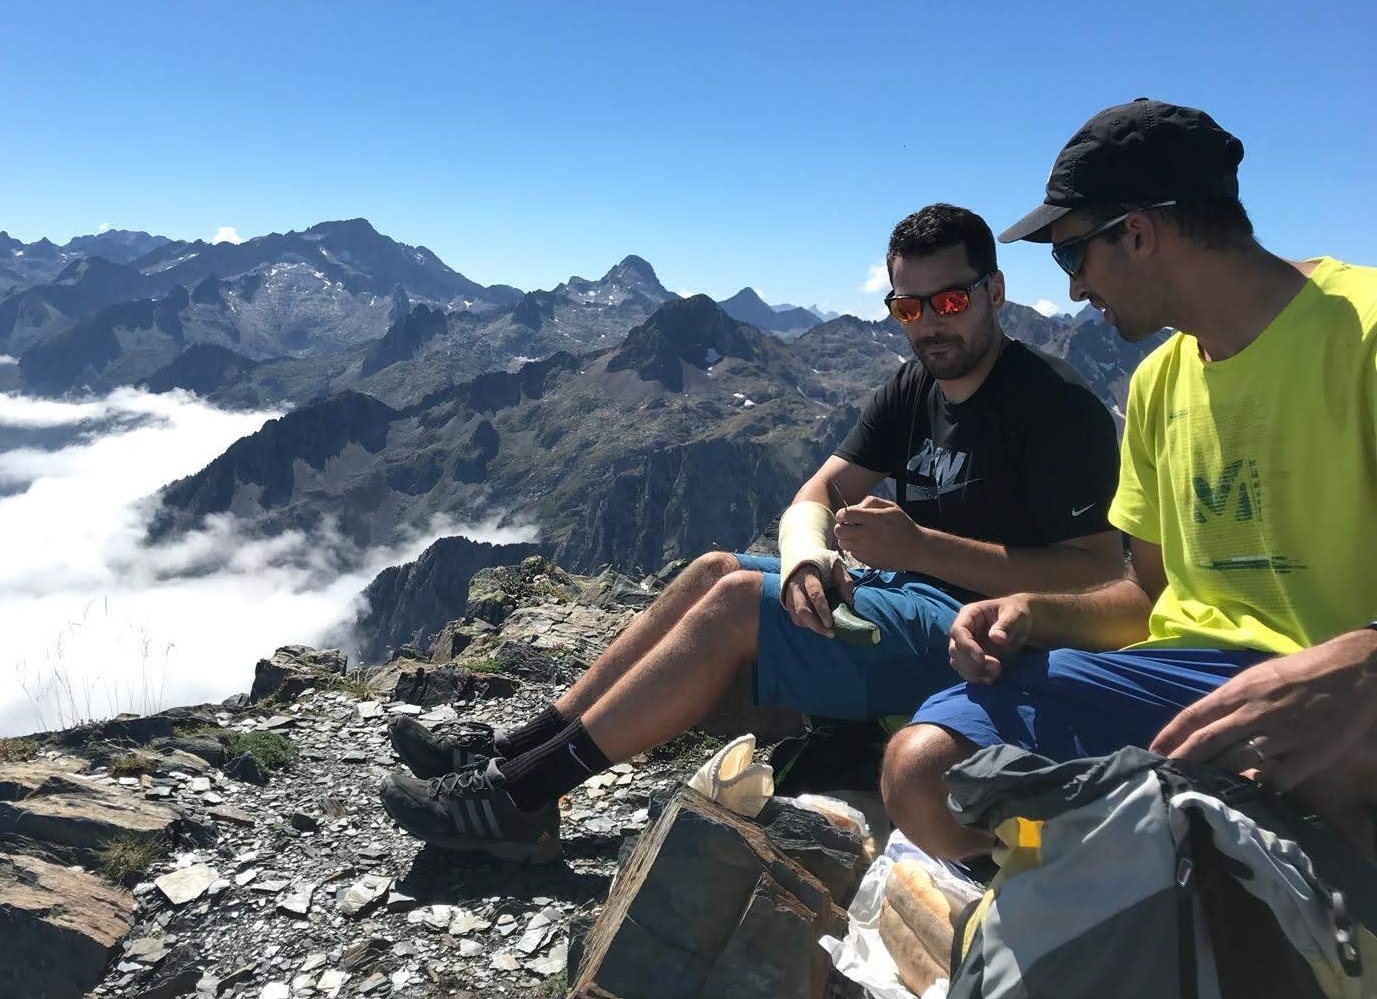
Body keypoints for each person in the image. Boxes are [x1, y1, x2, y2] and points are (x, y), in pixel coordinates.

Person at [379, 204, 1125, 862]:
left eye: (951, 299)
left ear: (995, 293)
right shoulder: (916, 387)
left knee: (737, 603)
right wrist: (806, 561)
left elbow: (1097, 576)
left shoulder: (1053, 406)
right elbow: (818, 493)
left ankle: (523, 798)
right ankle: (514, 750)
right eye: (909, 307)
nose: (930, 323)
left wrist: (925, 549)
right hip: (908, 597)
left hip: (989, 642)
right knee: (712, 570)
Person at [882, 99, 1377, 861]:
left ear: (1139, 233)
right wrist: (1030, 611)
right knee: (925, 772)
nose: (1075, 290)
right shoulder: (1159, 382)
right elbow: (1147, 598)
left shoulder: (1364, 331)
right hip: (1190, 683)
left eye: (1069, 255)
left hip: (1351, 686)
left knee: (1325, 787)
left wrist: (1358, 666)